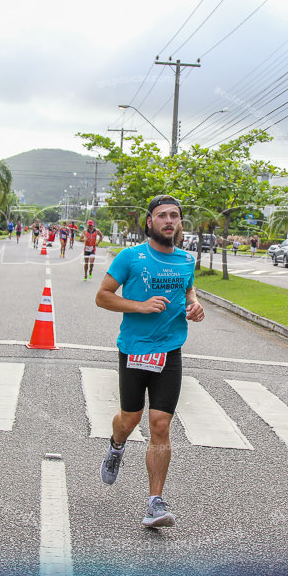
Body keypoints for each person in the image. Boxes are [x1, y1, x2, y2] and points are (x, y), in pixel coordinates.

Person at [95, 195, 205, 528]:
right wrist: (140, 306)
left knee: (160, 425)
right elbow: (102, 296)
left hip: (170, 350)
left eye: (175, 216)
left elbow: (189, 291)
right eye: (162, 216)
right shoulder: (131, 257)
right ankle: (116, 446)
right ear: (150, 222)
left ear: (180, 223)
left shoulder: (186, 260)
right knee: (129, 420)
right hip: (135, 350)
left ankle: (154, 503)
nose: (169, 221)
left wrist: (195, 304)